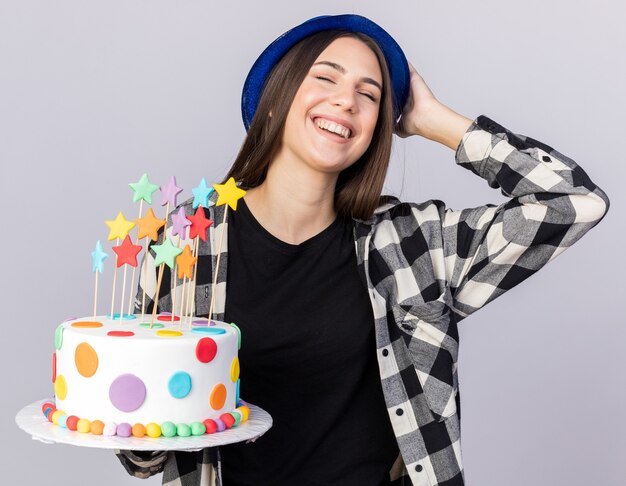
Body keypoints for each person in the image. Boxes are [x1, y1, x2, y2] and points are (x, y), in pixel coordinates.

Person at [116, 14, 609, 486]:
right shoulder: (185, 243)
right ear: (274, 99)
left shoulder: (414, 244)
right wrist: (143, 418)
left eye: (368, 95)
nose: (346, 101)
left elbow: (575, 202)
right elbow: (141, 457)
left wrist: (435, 121)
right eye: (326, 78)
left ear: (378, 128)